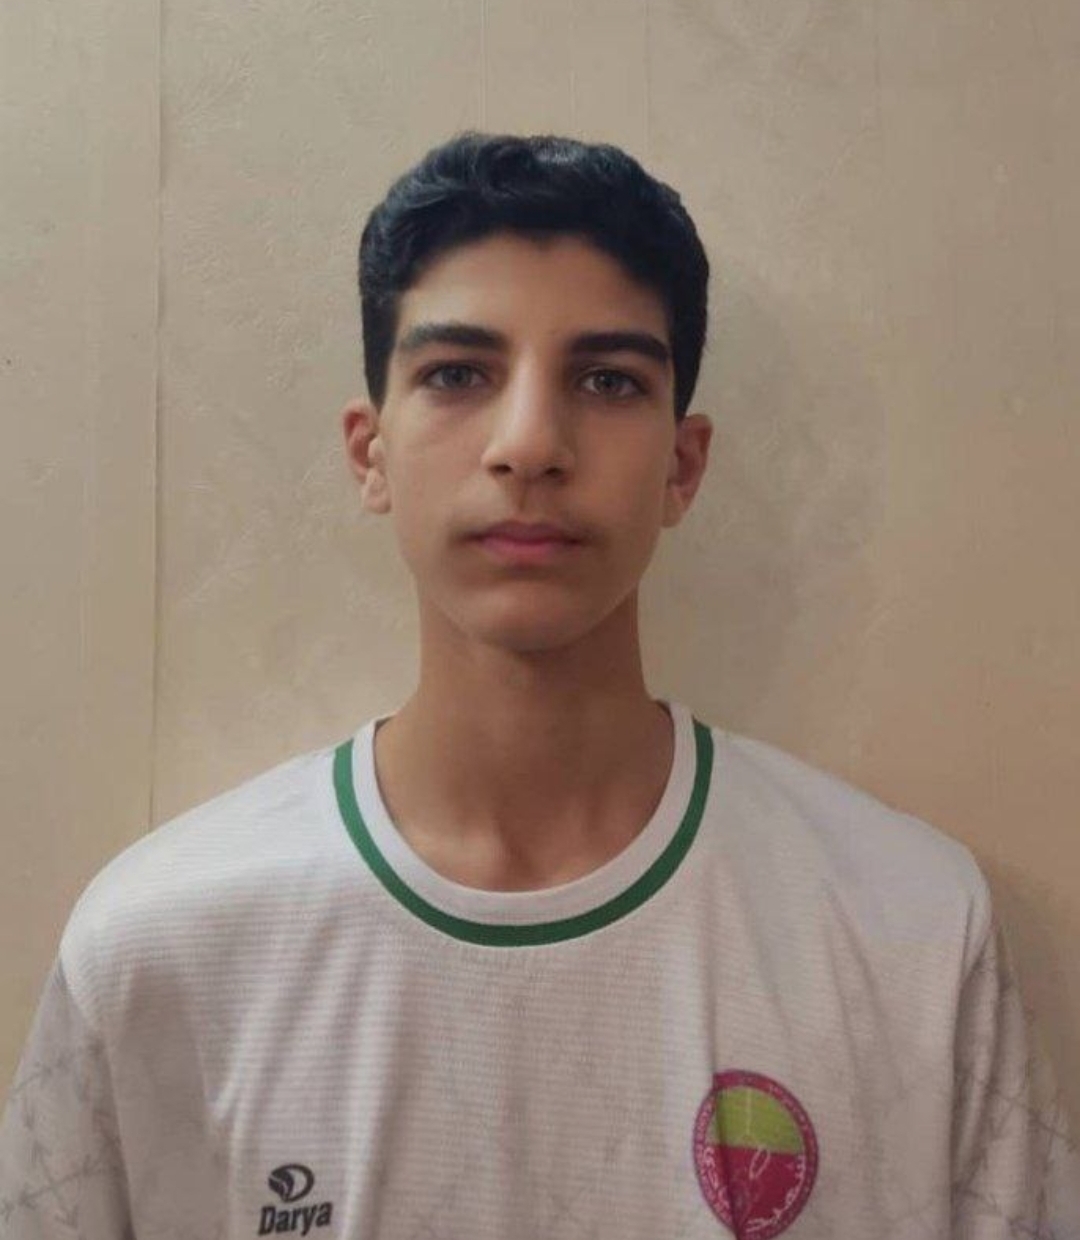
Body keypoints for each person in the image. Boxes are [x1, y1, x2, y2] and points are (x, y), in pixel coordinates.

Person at [1, 131, 1077, 1240]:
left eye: (607, 380)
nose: (529, 444)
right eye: (458, 374)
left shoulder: (910, 930)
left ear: (682, 466)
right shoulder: (157, 949)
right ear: (371, 452)